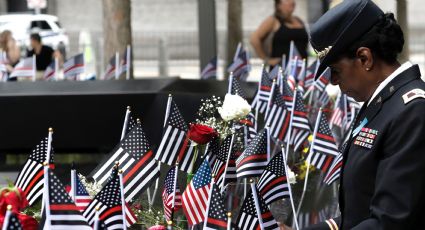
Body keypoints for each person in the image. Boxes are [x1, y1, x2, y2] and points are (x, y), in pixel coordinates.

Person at [305, 0, 425, 229]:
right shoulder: (383, 103)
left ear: (365, 59)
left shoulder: (412, 111)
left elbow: (389, 222)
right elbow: (359, 211)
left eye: (336, 71)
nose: (333, 81)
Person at [250, 0, 308, 67]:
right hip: (281, 70)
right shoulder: (273, 20)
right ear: (278, 5)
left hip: (300, 68)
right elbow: (254, 39)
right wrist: (267, 60)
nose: (291, 2)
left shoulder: (298, 20)